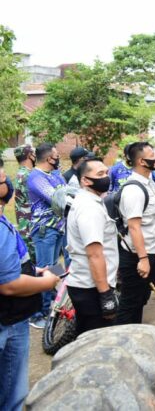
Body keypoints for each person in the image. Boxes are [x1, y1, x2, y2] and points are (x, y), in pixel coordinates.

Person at [0, 182, 59, 411]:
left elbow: (8, 266)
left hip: (11, 317)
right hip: (8, 319)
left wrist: (33, 271)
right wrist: (46, 282)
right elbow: (9, 284)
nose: (7, 184)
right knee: (13, 393)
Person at [65, 158, 119, 335]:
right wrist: (105, 294)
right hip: (91, 287)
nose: (106, 177)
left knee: (86, 337)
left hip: (90, 284)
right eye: (100, 174)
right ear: (85, 180)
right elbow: (94, 254)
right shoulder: (89, 208)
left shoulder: (92, 201)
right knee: (94, 340)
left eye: (106, 173)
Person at [115, 142, 155, 325]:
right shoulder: (134, 189)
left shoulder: (149, 183)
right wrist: (143, 259)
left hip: (147, 251)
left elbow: (152, 224)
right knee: (130, 303)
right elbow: (135, 227)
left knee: (139, 301)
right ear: (142, 161)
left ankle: (133, 340)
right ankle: (120, 345)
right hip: (135, 256)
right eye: (152, 154)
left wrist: (153, 252)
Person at [26, 143, 68, 329]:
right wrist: (66, 195)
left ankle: (50, 303)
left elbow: (67, 192)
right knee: (44, 269)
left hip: (58, 228)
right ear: (47, 158)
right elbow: (57, 198)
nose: (58, 158)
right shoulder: (35, 177)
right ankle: (37, 314)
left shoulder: (56, 174)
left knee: (55, 268)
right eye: (56, 155)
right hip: (44, 230)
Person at [13, 145, 35, 241]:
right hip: (30, 227)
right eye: (33, 153)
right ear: (29, 155)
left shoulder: (22, 173)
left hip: (25, 225)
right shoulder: (26, 175)